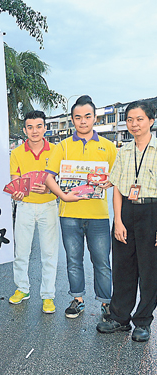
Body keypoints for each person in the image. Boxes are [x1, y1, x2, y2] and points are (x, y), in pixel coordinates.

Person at [45, 95, 117, 319]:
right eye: (78, 117)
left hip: (98, 216)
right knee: (73, 261)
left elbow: (118, 176)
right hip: (69, 215)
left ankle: (106, 303)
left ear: (94, 118)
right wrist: (63, 197)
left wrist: (109, 182)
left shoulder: (108, 146)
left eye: (87, 116)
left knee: (102, 262)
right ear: (72, 120)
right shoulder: (63, 147)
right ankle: (78, 299)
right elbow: (48, 178)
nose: (83, 121)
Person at [96, 101, 157, 342]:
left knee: (150, 270)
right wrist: (118, 221)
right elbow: (118, 189)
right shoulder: (124, 151)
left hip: (152, 212)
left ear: (151, 121)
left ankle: (143, 321)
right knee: (122, 267)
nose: (134, 124)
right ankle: (119, 318)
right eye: (130, 119)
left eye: (139, 119)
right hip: (126, 213)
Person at [8, 111, 60, 314]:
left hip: (48, 206)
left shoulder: (56, 150)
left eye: (39, 126)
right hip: (25, 207)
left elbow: (62, 179)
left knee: (49, 253)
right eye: (30, 127)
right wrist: (16, 193)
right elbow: (15, 181)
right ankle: (22, 288)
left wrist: (49, 189)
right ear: (24, 130)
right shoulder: (16, 153)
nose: (34, 131)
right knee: (21, 252)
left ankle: (48, 296)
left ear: (45, 128)